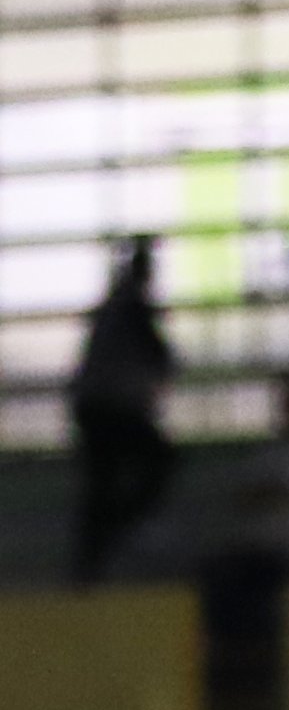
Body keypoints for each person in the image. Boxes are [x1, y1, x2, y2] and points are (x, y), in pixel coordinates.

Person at [68, 237, 175, 585]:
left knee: (101, 486)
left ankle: (90, 563)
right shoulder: (131, 308)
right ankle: (118, 528)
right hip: (109, 410)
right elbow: (161, 357)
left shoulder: (113, 307)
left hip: (94, 408)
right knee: (156, 461)